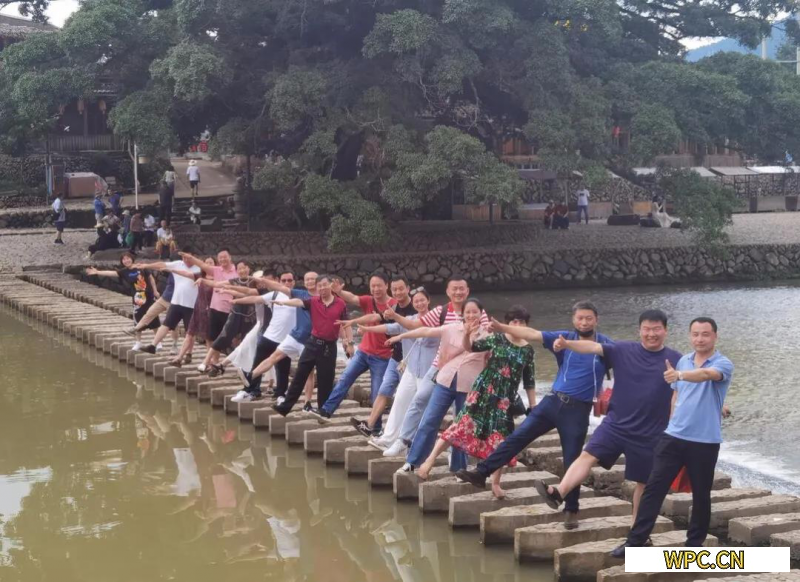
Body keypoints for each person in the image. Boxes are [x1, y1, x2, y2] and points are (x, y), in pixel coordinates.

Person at [456, 301, 612, 526]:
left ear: (596, 320)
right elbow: (532, 334)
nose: (584, 322)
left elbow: (629, 365)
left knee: (572, 459)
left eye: (589, 318)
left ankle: (571, 510)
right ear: (573, 319)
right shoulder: (562, 337)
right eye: (580, 318)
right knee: (517, 438)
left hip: (578, 411)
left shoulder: (607, 345)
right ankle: (481, 473)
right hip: (553, 401)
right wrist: (503, 328)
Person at [533, 309, 682, 526]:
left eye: (656, 329)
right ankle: (559, 493)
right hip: (616, 424)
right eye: (647, 329)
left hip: (651, 432)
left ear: (665, 331)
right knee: (587, 456)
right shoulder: (623, 349)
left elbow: (696, 381)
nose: (651, 334)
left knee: (644, 484)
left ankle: (637, 531)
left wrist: (719, 403)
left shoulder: (677, 359)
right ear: (639, 330)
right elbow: (592, 347)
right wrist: (567, 344)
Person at [611, 317, 733, 558]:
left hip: (705, 441)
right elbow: (676, 397)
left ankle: (694, 546)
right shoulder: (683, 360)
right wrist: (669, 425)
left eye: (705, 334)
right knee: (653, 489)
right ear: (690, 336)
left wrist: (679, 375)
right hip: (673, 438)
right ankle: (635, 541)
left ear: (715, 336)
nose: (700, 339)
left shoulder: (723, 363)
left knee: (701, 495)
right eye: (695, 334)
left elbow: (706, 374)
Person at [416, 305, 535, 496]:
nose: (517, 325)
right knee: (460, 425)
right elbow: (470, 348)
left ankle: (495, 483)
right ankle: (429, 461)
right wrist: (467, 335)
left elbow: (529, 380)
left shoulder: (528, 350)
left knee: (501, 440)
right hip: (483, 391)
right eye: (514, 321)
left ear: (527, 325)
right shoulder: (497, 338)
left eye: (521, 322)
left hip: (504, 400)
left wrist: (533, 405)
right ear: (507, 323)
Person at [381, 275, 489, 459]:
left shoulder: (477, 312)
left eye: (461, 288)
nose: (458, 292)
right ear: (448, 292)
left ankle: (455, 453)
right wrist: (396, 318)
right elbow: (416, 325)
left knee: (460, 413)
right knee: (419, 399)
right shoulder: (441, 311)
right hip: (439, 367)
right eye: (454, 289)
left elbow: (482, 343)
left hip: (466, 372)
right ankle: (403, 441)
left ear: (467, 291)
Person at [306, 272, 396, 422]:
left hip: (382, 357)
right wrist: (340, 292)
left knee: (376, 394)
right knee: (344, 380)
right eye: (373, 286)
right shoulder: (369, 300)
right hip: (363, 352)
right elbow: (353, 298)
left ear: (386, 286)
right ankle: (326, 411)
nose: (375, 289)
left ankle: (375, 429)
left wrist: (354, 323)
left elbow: (390, 324)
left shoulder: (394, 305)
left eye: (379, 286)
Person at [359, 288, 440, 451]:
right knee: (399, 401)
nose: (419, 303)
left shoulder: (437, 319)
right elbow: (389, 327)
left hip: (428, 372)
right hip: (411, 370)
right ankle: (388, 439)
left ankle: (415, 444)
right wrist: (368, 329)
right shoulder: (408, 319)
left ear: (428, 301)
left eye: (422, 300)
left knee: (421, 408)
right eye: (416, 301)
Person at [343, 276, 418, 436]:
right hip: (396, 358)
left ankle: (407, 434)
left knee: (407, 398)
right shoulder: (393, 307)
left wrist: (397, 332)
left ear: (408, 289)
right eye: (395, 289)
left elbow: (411, 326)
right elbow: (378, 319)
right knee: (383, 391)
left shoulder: (416, 307)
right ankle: (369, 426)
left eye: (401, 288)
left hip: (412, 361)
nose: (398, 292)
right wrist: (362, 326)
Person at [270, 274, 354, 416]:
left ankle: (323, 411)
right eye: (319, 286)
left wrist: (349, 343)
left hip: (329, 347)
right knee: (299, 375)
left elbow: (347, 324)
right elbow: (299, 302)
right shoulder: (314, 301)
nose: (322, 288)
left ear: (331, 285)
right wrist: (284, 303)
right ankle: (285, 407)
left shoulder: (340, 303)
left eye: (324, 285)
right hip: (312, 344)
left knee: (325, 380)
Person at [241, 271, 319, 407]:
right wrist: (261, 280)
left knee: (309, 372)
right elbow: (278, 288)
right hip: (294, 336)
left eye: (313, 279)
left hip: (311, 340)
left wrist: (347, 340)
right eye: (307, 279)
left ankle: (306, 403)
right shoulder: (299, 293)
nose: (310, 281)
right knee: (273, 357)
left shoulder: (322, 297)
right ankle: (249, 377)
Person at [227, 271, 297, 402]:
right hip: (269, 336)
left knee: (283, 368)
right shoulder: (274, 294)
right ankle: (252, 390)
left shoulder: (299, 296)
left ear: (293, 282)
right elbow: (255, 298)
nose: (287, 283)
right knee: (257, 363)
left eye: (289, 280)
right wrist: (236, 300)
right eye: (284, 280)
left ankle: (280, 394)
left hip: (286, 340)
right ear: (279, 281)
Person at [85, 252, 160, 351]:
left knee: (153, 317)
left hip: (149, 296)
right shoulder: (124, 272)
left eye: (128, 258)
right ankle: (138, 342)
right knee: (137, 319)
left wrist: (155, 291)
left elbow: (151, 279)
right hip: (138, 298)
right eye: (124, 259)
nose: (126, 261)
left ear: (132, 258)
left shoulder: (141, 267)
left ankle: (158, 342)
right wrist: (98, 272)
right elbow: (111, 273)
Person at [181, 249, 240, 371]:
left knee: (234, 339)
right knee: (213, 338)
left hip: (231, 310)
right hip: (215, 309)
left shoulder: (237, 272)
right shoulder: (217, 270)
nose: (223, 259)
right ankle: (214, 363)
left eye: (225, 257)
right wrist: (191, 258)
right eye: (220, 257)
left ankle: (239, 365)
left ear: (230, 257)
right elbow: (203, 265)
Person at [199, 261, 257, 377]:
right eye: (239, 269)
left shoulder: (255, 281)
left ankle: (243, 369)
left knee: (246, 342)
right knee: (224, 335)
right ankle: (206, 361)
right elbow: (217, 284)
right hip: (236, 313)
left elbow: (252, 294)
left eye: (244, 268)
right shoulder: (234, 280)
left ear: (249, 268)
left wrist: (227, 290)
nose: (242, 271)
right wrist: (203, 280)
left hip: (250, 316)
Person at [138, 255, 203, 354]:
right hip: (176, 302)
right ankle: (152, 345)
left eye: (188, 257)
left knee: (189, 331)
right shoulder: (178, 264)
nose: (185, 260)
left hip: (191, 305)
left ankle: (188, 353)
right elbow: (161, 264)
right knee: (166, 324)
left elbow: (189, 274)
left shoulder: (199, 268)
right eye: (184, 257)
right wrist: (147, 265)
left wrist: (172, 270)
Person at [168, 256, 216, 367]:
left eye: (211, 262)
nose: (209, 265)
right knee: (189, 334)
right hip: (198, 308)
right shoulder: (200, 275)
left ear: (215, 265)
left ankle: (209, 363)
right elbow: (186, 273)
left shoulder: (218, 278)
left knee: (208, 339)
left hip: (210, 311)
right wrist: (172, 269)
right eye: (207, 262)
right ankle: (179, 358)